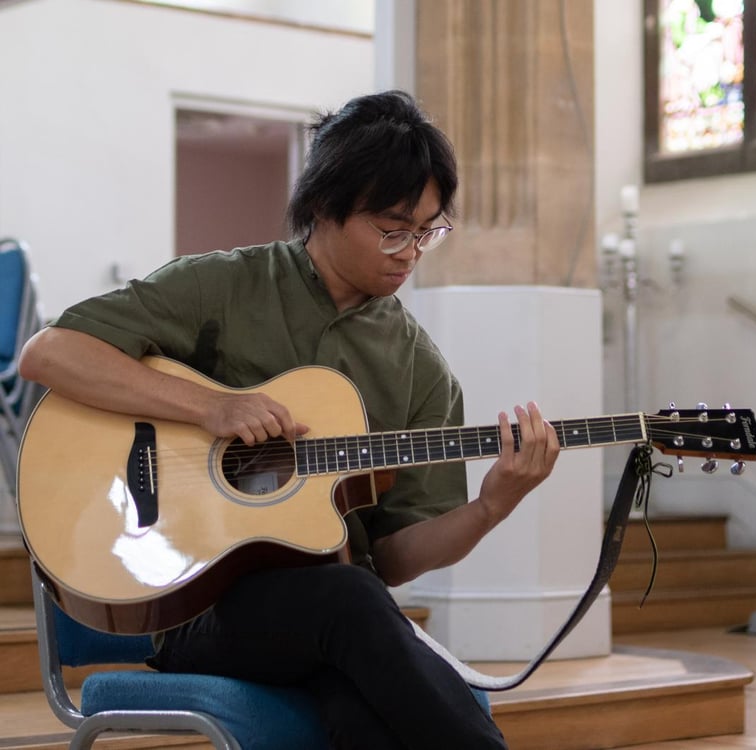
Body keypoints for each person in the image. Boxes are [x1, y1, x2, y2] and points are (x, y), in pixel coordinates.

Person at [19, 90, 560, 749]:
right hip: (196, 604)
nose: (410, 252)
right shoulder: (223, 287)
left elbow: (392, 556)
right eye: (392, 229)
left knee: (367, 707)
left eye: (427, 232)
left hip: (334, 619)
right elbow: (50, 353)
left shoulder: (423, 371)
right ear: (325, 205)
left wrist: (492, 506)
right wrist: (212, 407)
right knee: (354, 608)